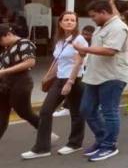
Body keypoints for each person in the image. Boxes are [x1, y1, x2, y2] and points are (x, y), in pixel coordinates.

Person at [22, 11, 86, 159]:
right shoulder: (60, 40)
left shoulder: (79, 40)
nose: (69, 22)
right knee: (45, 111)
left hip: (74, 79)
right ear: (61, 23)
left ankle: (75, 143)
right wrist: (47, 77)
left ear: (76, 24)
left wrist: (69, 82)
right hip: (59, 78)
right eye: (66, 20)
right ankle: (42, 147)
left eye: (73, 20)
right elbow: (57, 61)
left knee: (76, 113)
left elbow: (78, 62)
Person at [74, 0, 128, 162]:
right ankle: (102, 138)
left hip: (112, 76)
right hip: (95, 75)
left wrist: (85, 49)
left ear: (104, 12)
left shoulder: (118, 27)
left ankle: (109, 145)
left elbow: (110, 50)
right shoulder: (102, 26)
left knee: (109, 112)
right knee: (86, 109)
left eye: (94, 16)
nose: (92, 20)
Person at [0, 24, 39, 141]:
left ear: (8, 34)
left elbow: (30, 62)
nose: (0, 43)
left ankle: (45, 131)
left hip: (21, 83)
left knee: (24, 112)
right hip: (5, 85)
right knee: (2, 114)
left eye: (0, 40)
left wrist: (4, 72)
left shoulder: (24, 44)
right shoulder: (6, 50)